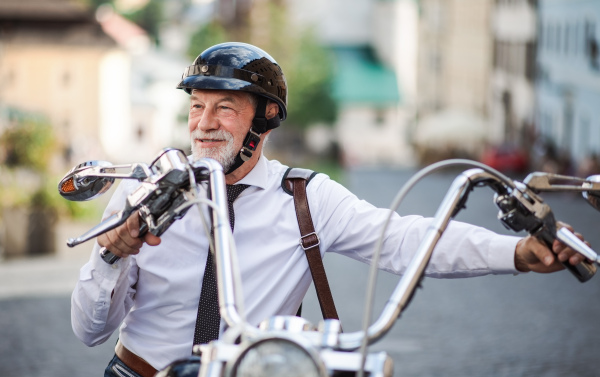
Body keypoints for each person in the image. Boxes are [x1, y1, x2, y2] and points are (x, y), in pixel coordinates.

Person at [71, 42, 590, 377]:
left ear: (265, 119)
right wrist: (110, 255)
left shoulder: (304, 197)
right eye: (196, 107)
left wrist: (518, 251)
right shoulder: (145, 192)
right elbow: (88, 332)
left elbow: (404, 238)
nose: (204, 123)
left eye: (224, 108)